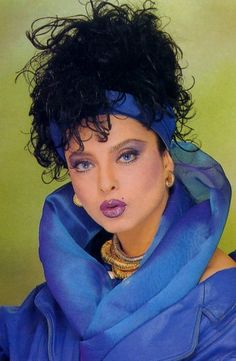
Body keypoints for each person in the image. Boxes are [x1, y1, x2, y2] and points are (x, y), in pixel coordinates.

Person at [0, 1, 236, 360]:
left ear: (167, 160)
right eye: (83, 164)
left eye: (127, 155)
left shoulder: (223, 306)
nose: (105, 183)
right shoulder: (65, 289)